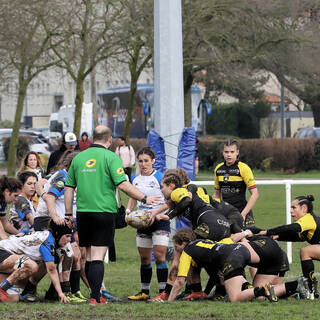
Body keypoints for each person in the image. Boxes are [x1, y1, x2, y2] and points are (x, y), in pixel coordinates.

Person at [64, 125, 161, 305]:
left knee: (91, 256)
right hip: (104, 212)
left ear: (93, 138)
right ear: (109, 141)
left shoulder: (79, 158)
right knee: (99, 256)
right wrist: (144, 198)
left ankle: (95, 296)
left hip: (83, 213)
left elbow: (68, 187)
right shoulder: (111, 157)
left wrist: (69, 213)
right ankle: (95, 297)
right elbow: (123, 184)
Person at [126, 147, 170, 301]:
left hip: (160, 222)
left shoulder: (160, 177)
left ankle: (163, 292)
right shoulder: (135, 178)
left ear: (153, 161)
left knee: (159, 257)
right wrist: (128, 210)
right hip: (142, 223)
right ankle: (144, 291)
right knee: (144, 259)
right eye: (140, 161)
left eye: (146, 161)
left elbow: (170, 201)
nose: (143, 164)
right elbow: (133, 196)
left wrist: (155, 214)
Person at [259, 194, 320, 299]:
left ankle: (309, 286)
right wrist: (278, 236)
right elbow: (296, 236)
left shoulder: (308, 219)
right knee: (306, 251)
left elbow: (290, 228)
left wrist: (268, 232)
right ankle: (309, 286)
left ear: (304, 208)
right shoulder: (307, 223)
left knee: (305, 251)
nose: (291, 211)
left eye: (294, 207)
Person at [0, 221, 72, 303]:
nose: (69, 240)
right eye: (67, 236)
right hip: (2, 251)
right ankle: (2, 288)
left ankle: (27, 291)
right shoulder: (47, 240)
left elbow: (23, 234)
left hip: (9, 257)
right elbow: (51, 270)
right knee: (32, 266)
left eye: (70, 237)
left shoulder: (43, 235)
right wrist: (60, 293)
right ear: (58, 234)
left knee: (13, 299)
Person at [213, 139, 259, 227]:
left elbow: (255, 194)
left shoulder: (244, 168)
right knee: (227, 239)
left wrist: (243, 214)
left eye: (232, 152)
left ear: (237, 152)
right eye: (226, 152)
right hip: (226, 212)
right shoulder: (218, 169)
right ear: (222, 152)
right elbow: (217, 195)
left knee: (248, 239)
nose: (229, 155)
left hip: (242, 211)